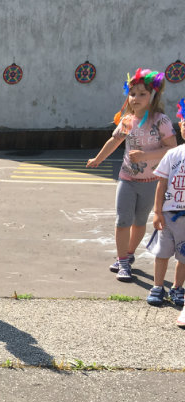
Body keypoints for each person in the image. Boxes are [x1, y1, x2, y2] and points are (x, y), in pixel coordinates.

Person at [87, 68, 176, 282]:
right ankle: (123, 262)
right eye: (132, 93)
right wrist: (98, 158)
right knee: (122, 220)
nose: (135, 98)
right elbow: (114, 140)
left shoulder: (160, 121)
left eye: (142, 94)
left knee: (139, 222)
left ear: (152, 95)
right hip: (127, 179)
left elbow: (172, 148)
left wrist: (146, 155)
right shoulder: (128, 120)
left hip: (151, 181)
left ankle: (129, 254)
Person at [146, 97, 185, 320]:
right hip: (169, 215)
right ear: (181, 126)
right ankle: (158, 287)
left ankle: (177, 288)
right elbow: (161, 184)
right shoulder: (173, 154)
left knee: (184, 257)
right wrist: (157, 212)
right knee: (162, 254)